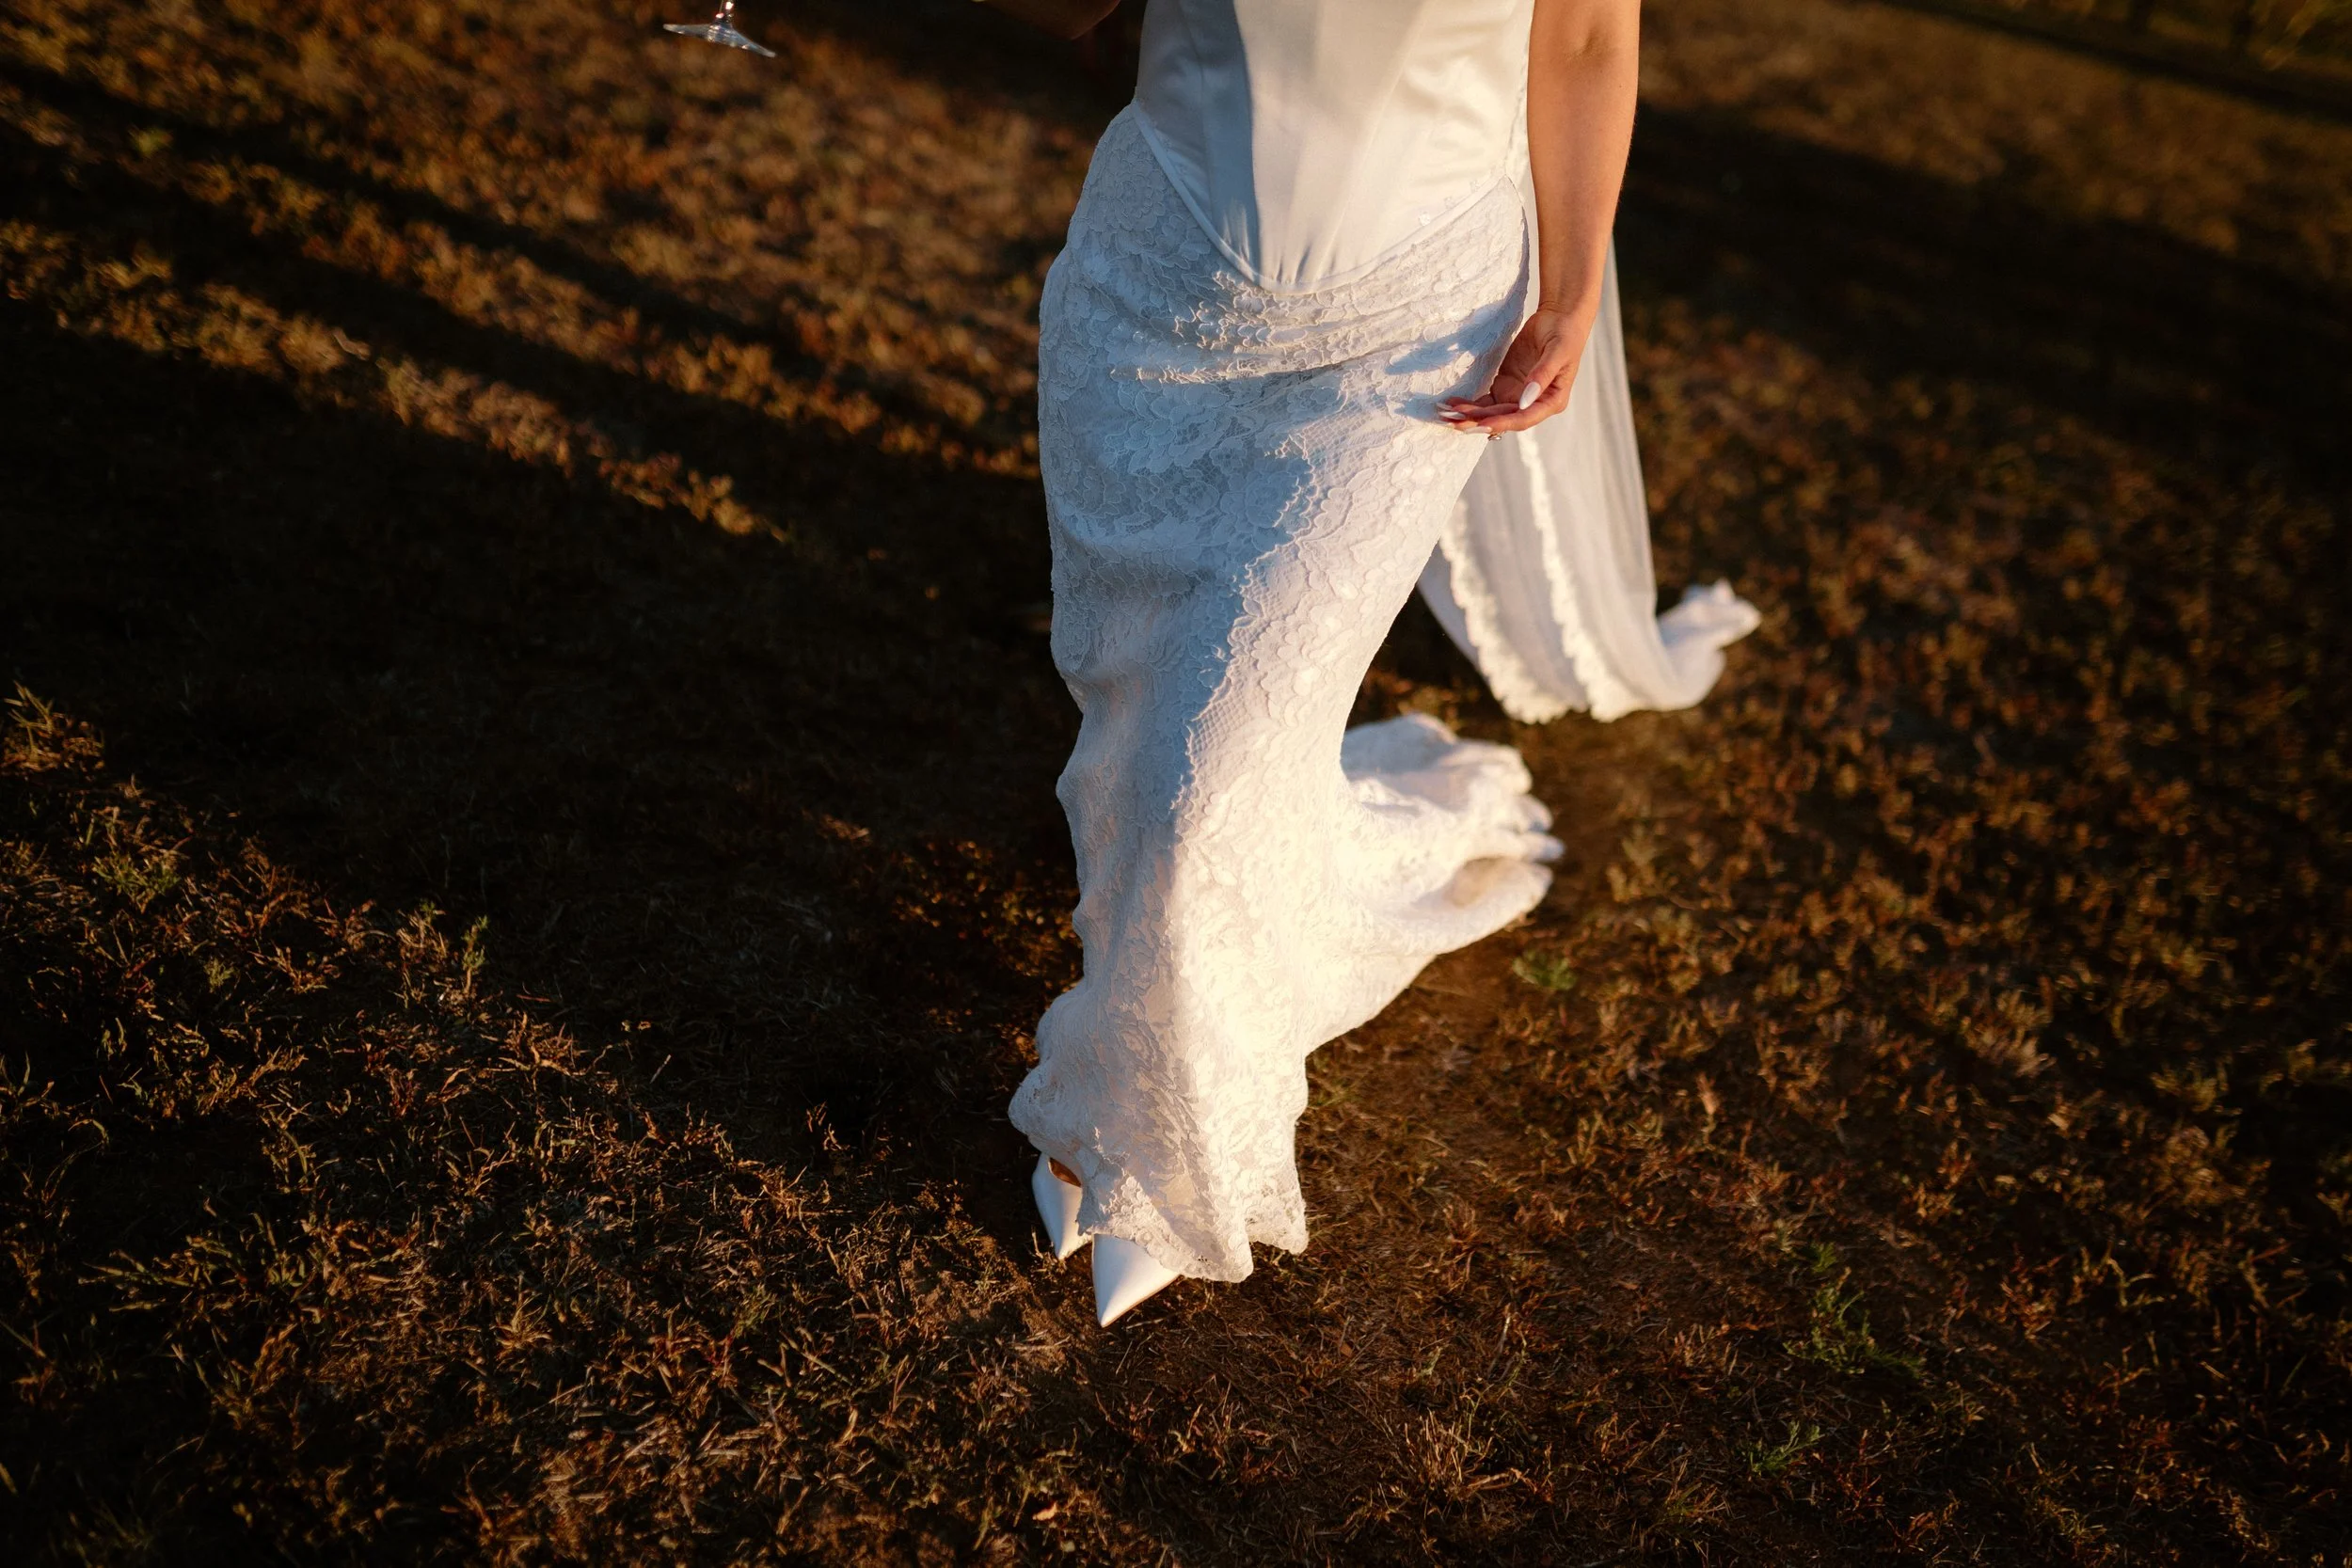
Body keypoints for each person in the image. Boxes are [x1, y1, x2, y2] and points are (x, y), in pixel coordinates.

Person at [980, 0, 1758, 1325]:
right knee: (1139, 718)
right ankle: (1166, 1040)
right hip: (1153, 287)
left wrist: (1568, 292)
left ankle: (1147, 1144)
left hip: (1408, 335)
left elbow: (1578, 40)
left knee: (1203, 775)